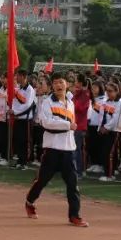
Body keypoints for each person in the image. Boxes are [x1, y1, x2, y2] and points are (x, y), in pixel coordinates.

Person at [24, 73, 88, 226]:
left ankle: (74, 215)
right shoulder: (47, 102)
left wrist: (69, 131)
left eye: (61, 82)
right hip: (52, 149)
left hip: (68, 149)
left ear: (67, 85)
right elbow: (46, 123)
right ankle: (29, 201)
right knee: (42, 181)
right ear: (52, 86)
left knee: (73, 184)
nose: (59, 86)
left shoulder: (70, 103)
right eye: (56, 83)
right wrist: (66, 125)